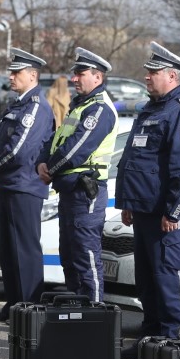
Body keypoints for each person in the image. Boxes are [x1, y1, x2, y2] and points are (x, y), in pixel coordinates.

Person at [116, 42, 180, 354]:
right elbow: (135, 160)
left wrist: (175, 211)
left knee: (168, 277)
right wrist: (128, 202)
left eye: (153, 72)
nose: (147, 77)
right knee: (147, 279)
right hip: (144, 211)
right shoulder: (151, 110)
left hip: (167, 216)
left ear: (171, 76)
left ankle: (173, 339)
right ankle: (151, 336)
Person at [36, 47, 118, 302]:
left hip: (86, 192)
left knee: (85, 253)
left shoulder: (100, 109)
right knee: (69, 254)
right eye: (75, 74)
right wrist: (41, 160)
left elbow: (77, 150)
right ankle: (75, 309)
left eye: (80, 74)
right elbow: (56, 140)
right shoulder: (79, 106)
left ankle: (93, 311)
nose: (74, 79)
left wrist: (50, 168)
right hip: (70, 190)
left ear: (97, 77)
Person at [0, 48, 56, 322]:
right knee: (9, 249)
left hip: (25, 186)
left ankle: (27, 308)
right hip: (8, 184)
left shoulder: (36, 107)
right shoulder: (15, 105)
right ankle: (12, 304)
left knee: (24, 249)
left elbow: (19, 150)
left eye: (17, 72)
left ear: (33, 75)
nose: (11, 76)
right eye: (11, 72)